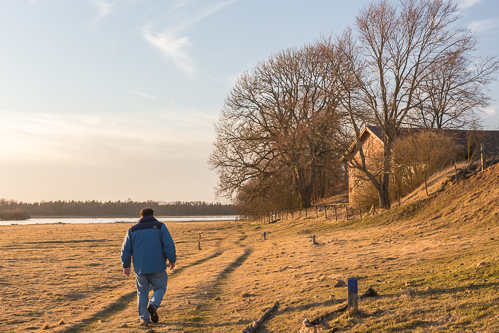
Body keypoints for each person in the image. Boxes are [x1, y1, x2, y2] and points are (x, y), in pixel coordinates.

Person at [120, 207, 177, 327]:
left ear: (141, 216)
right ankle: (153, 304)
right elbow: (168, 244)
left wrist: (126, 265)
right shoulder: (160, 227)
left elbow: (125, 249)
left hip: (140, 268)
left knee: (142, 292)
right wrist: (172, 259)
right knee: (160, 288)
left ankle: (144, 319)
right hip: (158, 266)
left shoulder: (132, 230)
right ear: (152, 215)